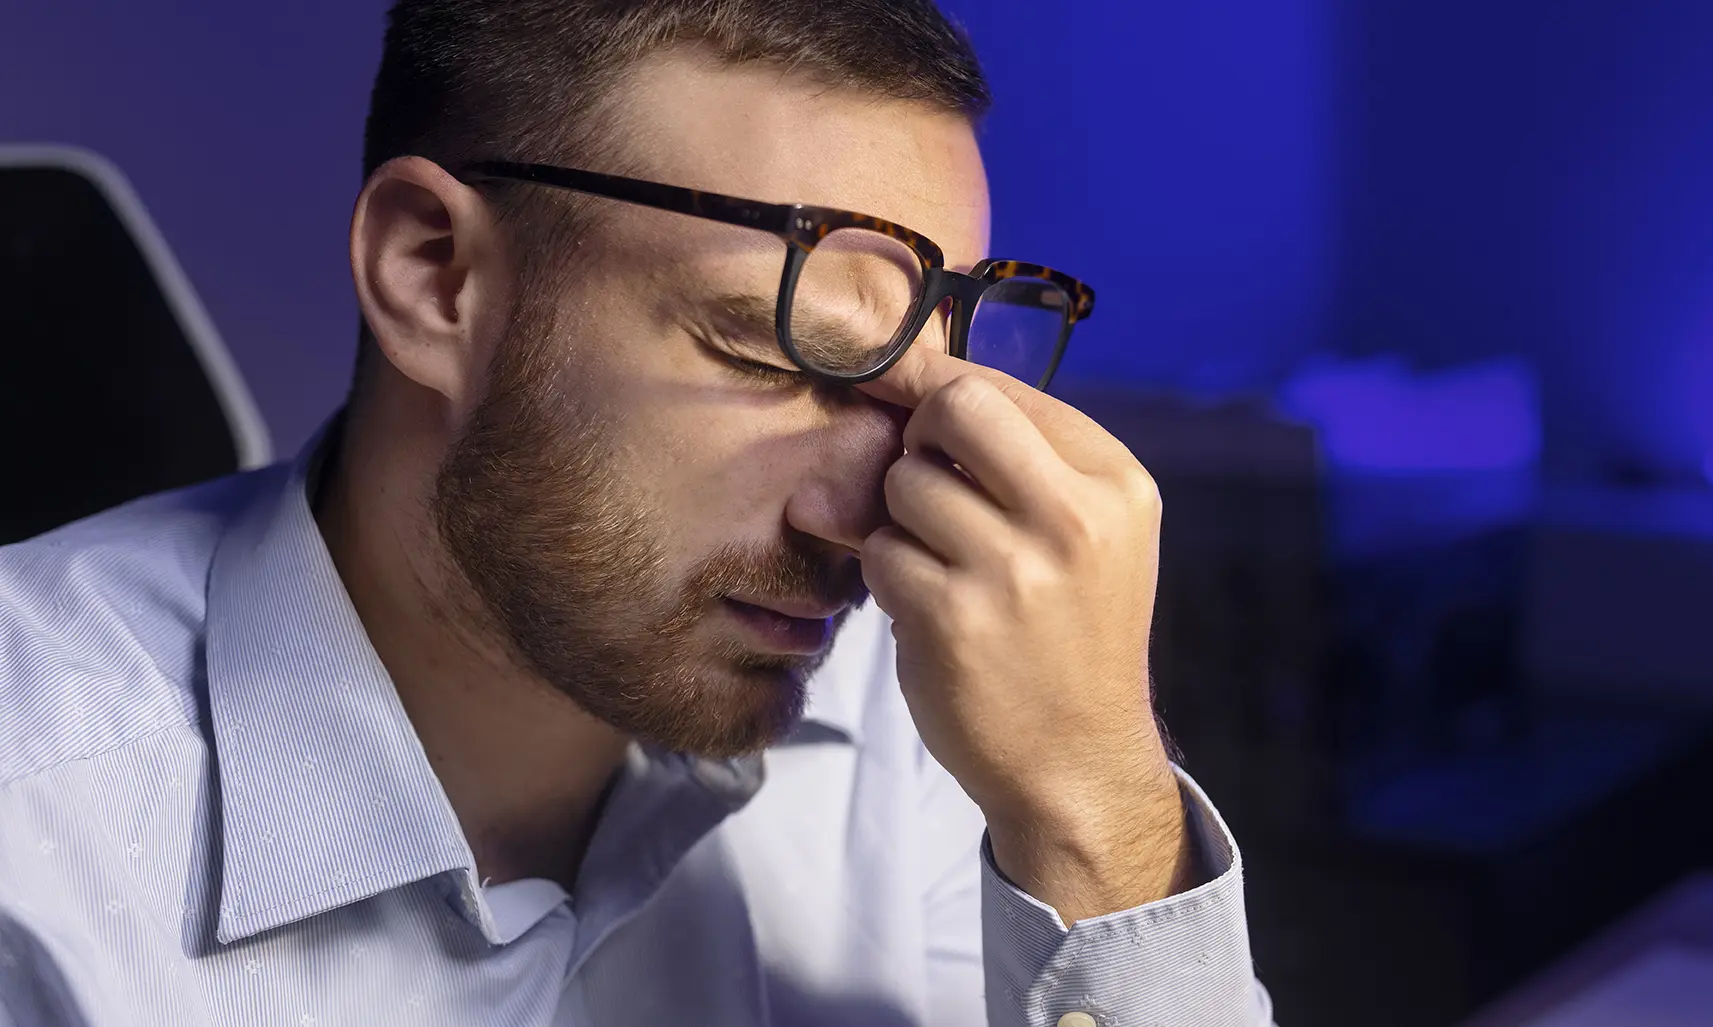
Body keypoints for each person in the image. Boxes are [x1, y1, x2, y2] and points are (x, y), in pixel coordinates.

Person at [0, 2, 1276, 1024]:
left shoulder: (925, 710)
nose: (861, 524)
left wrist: (1091, 817)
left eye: (907, 395)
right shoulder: (34, 846)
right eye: (775, 355)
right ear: (432, 276)